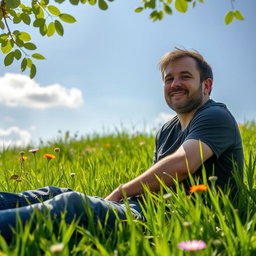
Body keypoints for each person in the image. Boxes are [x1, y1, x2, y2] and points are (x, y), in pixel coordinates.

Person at [0, 49, 243, 243]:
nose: (174, 84)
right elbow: (157, 186)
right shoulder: (167, 130)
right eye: (169, 79)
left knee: (71, 204)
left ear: (206, 86)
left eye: (185, 77)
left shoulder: (215, 116)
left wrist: (120, 192)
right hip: (144, 208)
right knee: (54, 192)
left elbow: (182, 163)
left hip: (171, 222)